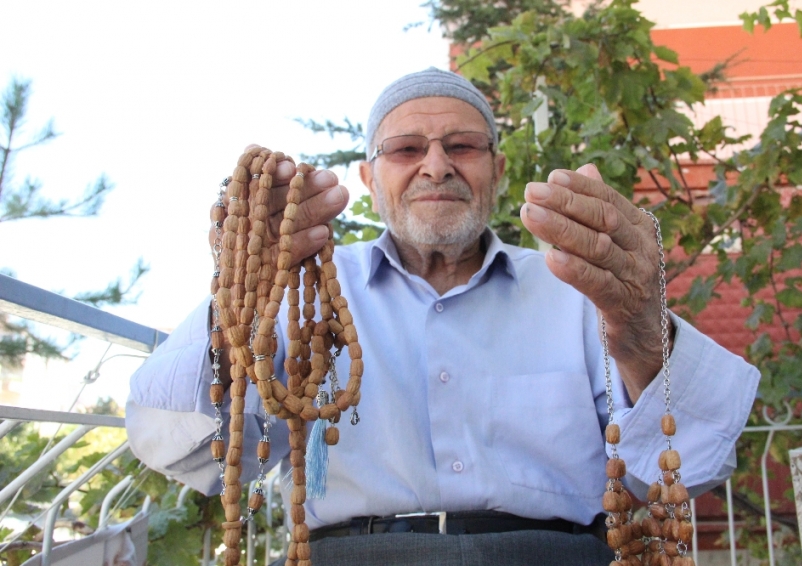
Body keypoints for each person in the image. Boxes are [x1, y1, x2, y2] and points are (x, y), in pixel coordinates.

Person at [126, 68, 760, 566]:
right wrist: (239, 292)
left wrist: (644, 330)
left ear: (498, 171)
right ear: (369, 178)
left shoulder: (576, 287)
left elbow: (693, 462)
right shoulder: (302, 291)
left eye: (462, 146)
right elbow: (180, 447)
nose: (437, 165)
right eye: (407, 149)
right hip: (355, 557)